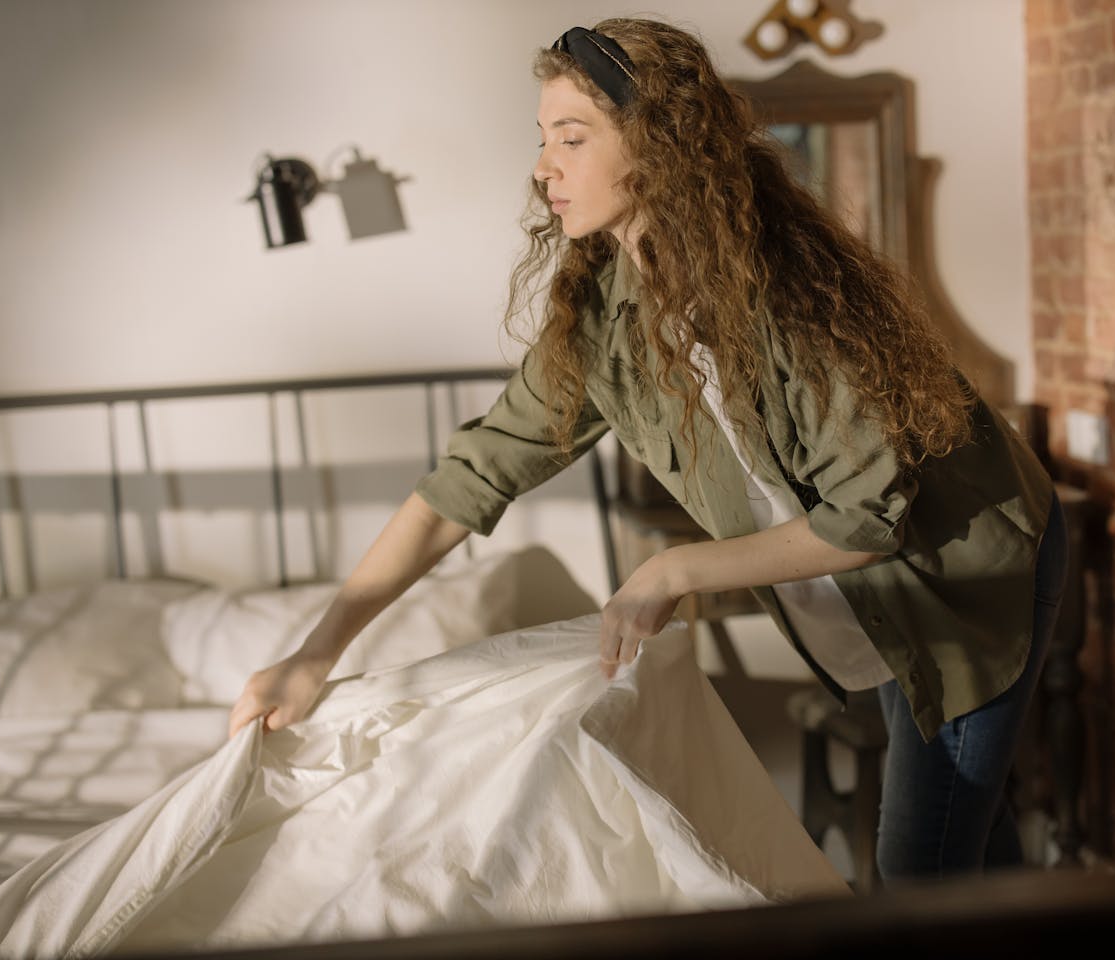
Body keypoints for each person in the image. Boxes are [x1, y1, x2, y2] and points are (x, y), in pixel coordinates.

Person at [229, 18, 1067, 885]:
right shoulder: (600, 318)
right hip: (883, 595)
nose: (543, 165)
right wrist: (316, 653)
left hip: (967, 579)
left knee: (918, 875)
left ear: (660, 146)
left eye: (573, 136)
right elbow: (468, 479)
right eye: (542, 137)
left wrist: (675, 569)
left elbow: (866, 520)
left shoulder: (784, 293)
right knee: (975, 846)